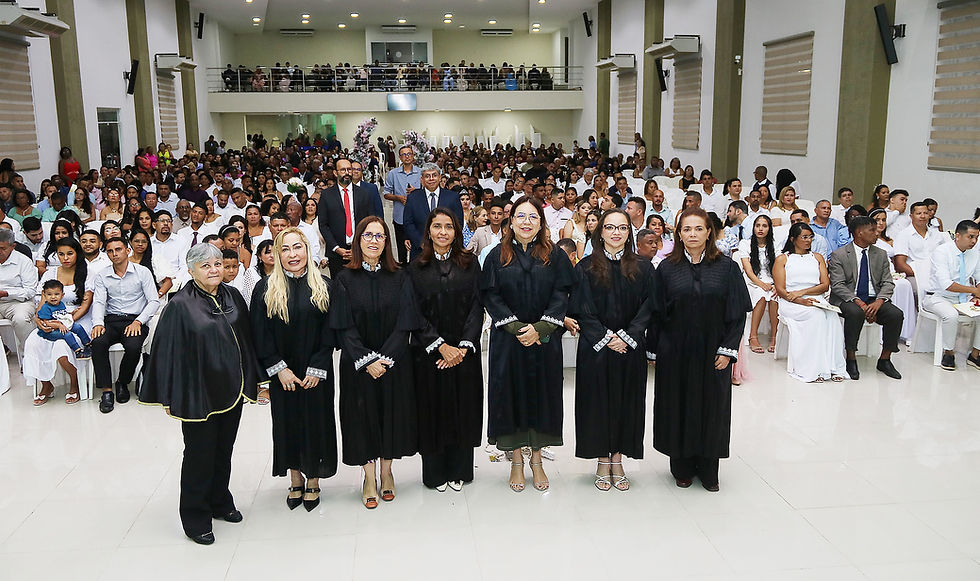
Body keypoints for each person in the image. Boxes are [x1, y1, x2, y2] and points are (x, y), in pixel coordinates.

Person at [140, 242, 263, 545]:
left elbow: (246, 339)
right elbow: (165, 352)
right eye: (205, 265)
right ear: (192, 269)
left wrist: (256, 380)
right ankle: (195, 517)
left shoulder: (232, 295)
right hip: (197, 392)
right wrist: (168, 396)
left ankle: (220, 501)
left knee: (224, 449)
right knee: (199, 453)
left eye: (218, 264)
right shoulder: (180, 304)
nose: (214, 270)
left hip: (231, 389)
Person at [647, 208, 751, 491]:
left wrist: (727, 349)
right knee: (677, 405)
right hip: (675, 351)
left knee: (712, 407)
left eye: (698, 229)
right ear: (678, 234)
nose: (692, 234)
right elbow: (656, 313)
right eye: (686, 229)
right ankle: (680, 466)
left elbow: (737, 313)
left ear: (709, 233)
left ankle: (708, 468)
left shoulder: (727, 268)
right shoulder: (667, 268)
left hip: (713, 351)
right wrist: (654, 350)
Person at [480, 196, 573, 492]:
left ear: (541, 223)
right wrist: (518, 328)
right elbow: (490, 296)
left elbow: (562, 293)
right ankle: (517, 461)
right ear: (510, 221)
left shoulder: (555, 256)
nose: (526, 222)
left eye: (533, 217)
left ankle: (537, 461)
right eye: (520, 216)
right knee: (511, 397)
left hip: (544, 340)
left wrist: (541, 327)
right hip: (509, 341)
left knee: (540, 397)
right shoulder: (496, 255)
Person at [330, 216, 420, 508]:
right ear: (358, 240)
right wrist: (367, 359)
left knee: (391, 416)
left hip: (394, 363)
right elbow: (343, 326)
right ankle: (369, 475)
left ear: (386, 242)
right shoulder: (343, 278)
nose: (373, 240)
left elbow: (406, 322)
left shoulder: (400, 276)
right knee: (362, 419)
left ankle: (387, 471)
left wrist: (387, 357)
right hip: (358, 365)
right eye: (367, 235)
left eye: (379, 236)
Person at [251, 228, 337, 511]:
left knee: (315, 423)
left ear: (307, 251)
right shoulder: (264, 288)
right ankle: (295, 478)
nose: (292, 254)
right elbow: (259, 333)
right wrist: (279, 370)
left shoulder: (324, 285)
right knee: (288, 424)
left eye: (297, 247)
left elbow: (331, 331)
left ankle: (313, 479)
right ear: (277, 254)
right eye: (285, 249)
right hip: (283, 373)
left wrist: (317, 367)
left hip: (316, 372)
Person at [570, 209, 654, 491]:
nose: (616, 233)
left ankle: (618, 458)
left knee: (626, 401)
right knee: (597, 403)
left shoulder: (643, 267)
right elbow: (582, 307)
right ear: (600, 232)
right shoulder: (585, 267)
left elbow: (649, 306)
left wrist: (628, 336)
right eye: (609, 227)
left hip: (630, 348)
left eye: (621, 228)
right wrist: (606, 337)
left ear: (629, 232)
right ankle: (602, 460)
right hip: (596, 348)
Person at [407, 209, 484, 492]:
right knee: (433, 410)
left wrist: (463, 346)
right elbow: (413, 312)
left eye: (448, 227)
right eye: (436, 226)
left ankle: (461, 469)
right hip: (429, 354)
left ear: (457, 231)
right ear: (428, 231)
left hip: (464, 352)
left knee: (463, 409)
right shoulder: (415, 267)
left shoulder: (470, 264)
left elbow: (478, 306)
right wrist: (440, 346)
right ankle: (435, 472)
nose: (442, 232)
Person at [828, 216, 904, 380]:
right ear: (859, 233)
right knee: (855, 313)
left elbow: (888, 283)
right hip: (848, 298)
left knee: (895, 314)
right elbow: (838, 285)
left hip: (874, 299)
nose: (877, 233)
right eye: (872, 230)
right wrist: (859, 302)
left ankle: (885, 359)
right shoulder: (839, 255)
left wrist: (879, 301)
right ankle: (850, 358)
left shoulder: (881, 254)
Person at [90, 236, 160, 413]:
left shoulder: (142, 272)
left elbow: (153, 301)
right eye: (110, 251)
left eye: (118, 249)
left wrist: (138, 321)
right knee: (98, 342)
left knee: (133, 346)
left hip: (135, 319)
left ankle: (122, 382)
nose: (115, 254)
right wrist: (98, 323)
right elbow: (98, 302)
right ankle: (107, 391)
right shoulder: (102, 275)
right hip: (112, 319)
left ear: (128, 251)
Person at [772, 223, 847, 383]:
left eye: (810, 237)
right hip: (791, 302)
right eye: (804, 237)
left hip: (815, 298)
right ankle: (813, 367)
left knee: (832, 317)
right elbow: (780, 290)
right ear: (793, 239)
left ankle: (833, 366)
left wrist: (804, 292)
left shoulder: (817, 257)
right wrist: (800, 300)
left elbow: (825, 285)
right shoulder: (782, 259)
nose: (808, 240)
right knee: (816, 316)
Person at [24, 237, 91, 405]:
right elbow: (41, 304)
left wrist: (66, 321)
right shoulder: (50, 274)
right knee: (32, 342)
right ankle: (47, 385)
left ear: (78, 253)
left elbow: (84, 306)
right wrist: (40, 321)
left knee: (62, 344)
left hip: (77, 319)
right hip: (50, 318)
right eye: (61, 254)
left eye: (70, 253)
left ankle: (74, 384)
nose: (65, 258)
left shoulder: (87, 272)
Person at [922, 220, 980, 371]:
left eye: (977, 237)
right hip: (937, 297)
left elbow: (979, 278)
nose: (974, 241)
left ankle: (975, 354)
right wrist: (974, 291)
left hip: (963, 298)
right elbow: (946, 284)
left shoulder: (974, 253)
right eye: (971, 237)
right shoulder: (942, 252)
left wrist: (977, 294)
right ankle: (948, 353)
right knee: (951, 315)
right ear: (958, 236)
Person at [318, 158, 379, 277]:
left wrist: (360, 246)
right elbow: (323, 225)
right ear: (335, 173)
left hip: (360, 250)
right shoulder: (326, 195)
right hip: (336, 252)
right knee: (339, 288)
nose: (347, 173)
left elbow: (370, 222)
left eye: (349, 169)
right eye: (343, 170)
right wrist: (336, 248)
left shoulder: (364, 194)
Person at [404, 163, 464, 259]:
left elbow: (458, 223)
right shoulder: (413, 198)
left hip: (446, 249)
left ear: (440, 177)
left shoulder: (453, 197)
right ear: (422, 179)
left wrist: (445, 241)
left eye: (434, 175)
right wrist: (421, 242)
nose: (431, 179)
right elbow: (408, 223)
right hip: (420, 250)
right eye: (427, 176)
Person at [738, 215, 779, 353]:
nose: (760, 229)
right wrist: (761, 284)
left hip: (772, 280)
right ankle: (753, 336)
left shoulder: (775, 245)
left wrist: (775, 285)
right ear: (753, 227)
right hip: (752, 281)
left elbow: (779, 269)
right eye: (758, 226)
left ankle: (775, 336)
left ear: (769, 229)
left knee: (774, 297)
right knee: (761, 295)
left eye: (764, 226)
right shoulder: (745, 243)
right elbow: (748, 271)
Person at [894, 201, 949, 297]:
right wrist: (921, 273)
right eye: (919, 213)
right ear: (911, 216)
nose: (923, 216)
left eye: (925, 213)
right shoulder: (903, 235)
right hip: (914, 275)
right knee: (917, 290)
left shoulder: (936, 234)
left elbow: (946, 256)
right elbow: (900, 264)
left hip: (936, 274)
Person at [0, 227, 39, 349]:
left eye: (3, 248)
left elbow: (30, 291)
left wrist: (6, 293)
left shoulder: (24, 261)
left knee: (21, 319)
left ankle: (29, 354)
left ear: (13, 246)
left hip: (19, 302)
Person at [384, 145, 421, 263]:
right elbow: (386, 194)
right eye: (404, 154)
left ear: (413, 156)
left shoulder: (421, 172)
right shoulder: (393, 174)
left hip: (417, 217)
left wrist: (417, 192)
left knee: (417, 248)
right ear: (400, 157)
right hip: (400, 217)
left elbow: (429, 192)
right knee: (401, 250)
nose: (407, 156)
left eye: (409, 153)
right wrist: (398, 197)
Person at [36, 279, 91, 357]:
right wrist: (59, 326)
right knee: (67, 334)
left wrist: (72, 313)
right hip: (50, 331)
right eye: (49, 294)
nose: (53, 297)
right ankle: (77, 351)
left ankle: (88, 344)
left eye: (56, 294)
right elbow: (46, 322)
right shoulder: (46, 308)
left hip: (63, 325)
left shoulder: (60, 304)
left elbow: (62, 315)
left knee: (78, 327)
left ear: (62, 295)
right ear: (44, 295)